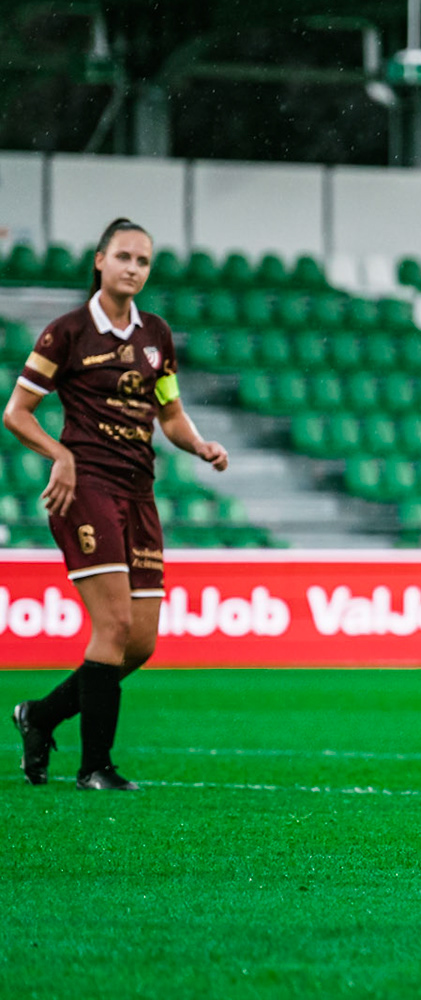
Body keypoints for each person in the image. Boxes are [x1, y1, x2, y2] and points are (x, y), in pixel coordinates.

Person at [8, 218, 229, 790]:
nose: (134, 268)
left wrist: (198, 444)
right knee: (113, 625)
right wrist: (61, 455)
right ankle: (95, 767)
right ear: (100, 261)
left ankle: (41, 715)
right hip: (86, 491)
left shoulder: (156, 334)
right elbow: (17, 412)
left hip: (139, 490)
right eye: (124, 257)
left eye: (144, 261)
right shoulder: (68, 333)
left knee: (141, 643)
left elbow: (171, 413)